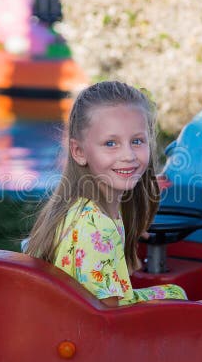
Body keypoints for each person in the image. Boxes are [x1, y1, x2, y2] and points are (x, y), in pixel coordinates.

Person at [25, 81, 187, 306]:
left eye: (137, 141)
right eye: (111, 143)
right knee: (179, 297)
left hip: (70, 325)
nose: (128, 155)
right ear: (79, 152)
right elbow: (109, 319)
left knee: (176, 293)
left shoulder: (78, 209)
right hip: (91, 332)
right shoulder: (97, 226)